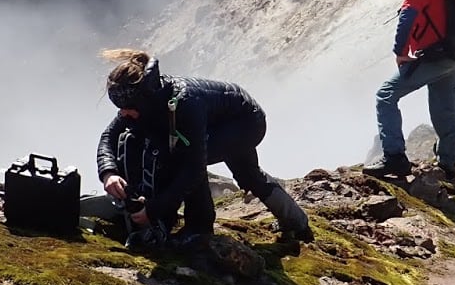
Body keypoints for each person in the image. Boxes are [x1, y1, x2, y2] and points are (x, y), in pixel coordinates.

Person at [95, 49, 312, 249]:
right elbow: (109, 136)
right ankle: (298, 224)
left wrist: (152, 210)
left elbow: (193, 168)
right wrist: (109, 173)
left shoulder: (183, 103)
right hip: (219, 119)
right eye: (120, 109)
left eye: (127, 109)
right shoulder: (143, 97)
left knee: (186, 160)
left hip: (246, 122)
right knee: (249, 174)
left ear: (143, 102)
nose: (123, 114)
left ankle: (198, 230)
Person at [365, 0, 455, 181]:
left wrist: (400, 52)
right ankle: (448, 165)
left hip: (434, 55)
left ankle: (394, 158)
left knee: (385, 96)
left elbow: (408, 15)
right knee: (446, 110)